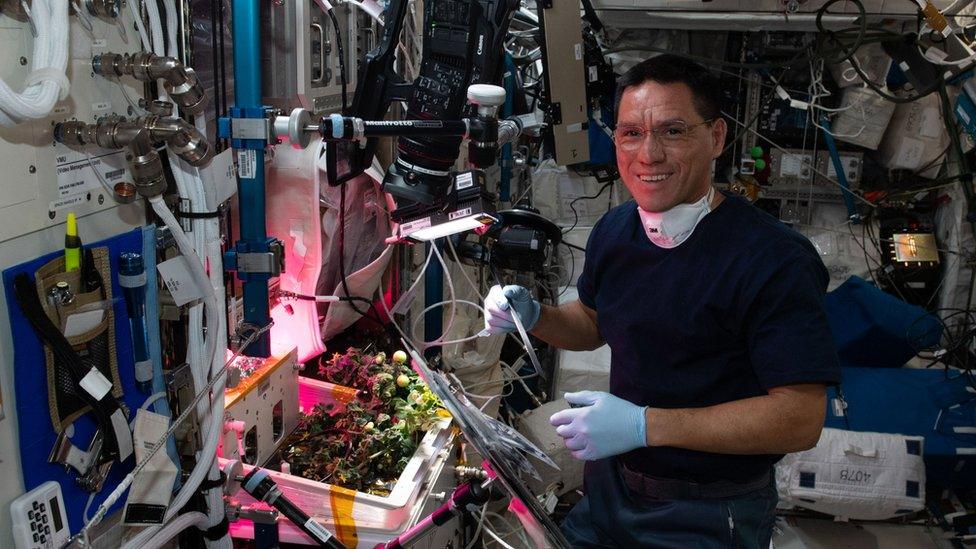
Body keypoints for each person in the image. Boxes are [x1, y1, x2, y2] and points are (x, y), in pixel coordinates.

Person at [483, 54, 840, 547]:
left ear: (716, 137)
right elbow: (590, 322)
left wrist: (642, 425)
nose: (647, 154)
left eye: (672, 131)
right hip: (610, 488)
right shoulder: (616, 230)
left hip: (709, 510)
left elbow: (799, 419)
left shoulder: (774, 259)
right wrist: (533, 315)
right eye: (631, 133)